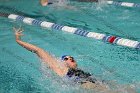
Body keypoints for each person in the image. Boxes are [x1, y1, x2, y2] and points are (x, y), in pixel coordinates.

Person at [14, 27, 108, 91]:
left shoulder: (79, 71)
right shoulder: (60, 68)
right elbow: (38, 50)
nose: (71, 58)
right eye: (67, 58)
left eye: (72, 57)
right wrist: (19, 41)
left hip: (92, 81)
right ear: (63, 61)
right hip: (85, 84)